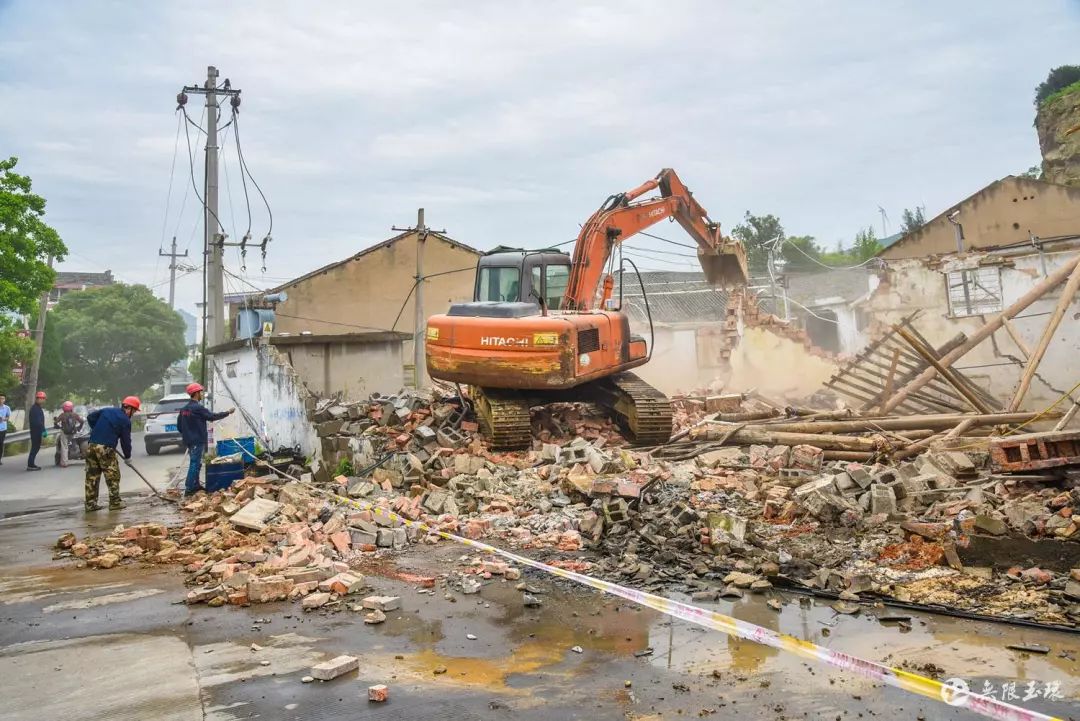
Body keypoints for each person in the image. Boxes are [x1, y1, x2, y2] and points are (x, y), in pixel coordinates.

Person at [177, 383, 234, 496]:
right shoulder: (198, 408)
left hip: (189, 441)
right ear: (196, 393)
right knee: (194, 463)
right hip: (197, 440)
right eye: (200, 392)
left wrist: (188, 434)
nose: (201, 394)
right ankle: (189, 488)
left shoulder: (183, 410)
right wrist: (228, 413)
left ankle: (196, 485)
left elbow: (179, 426)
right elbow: (212, 416)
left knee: (197, 463)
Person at [84, 396, 140, 512]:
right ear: (128, 408)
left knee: (92, 476)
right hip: (105, 448)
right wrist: (128, 457)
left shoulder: (107, 410)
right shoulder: (125, 420)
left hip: (91, 445)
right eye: (133, 411)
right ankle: (115, 502)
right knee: (112, 475)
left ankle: (90, 504)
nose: (133, 414)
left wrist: (98, 429)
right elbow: (126, 442)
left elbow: (90, 417)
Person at [54, 401, 85, 468]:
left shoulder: (62, 415)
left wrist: (58, 426)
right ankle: (75, 450)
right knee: (74, 441)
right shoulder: (75, 415)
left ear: (64, 408)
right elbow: (82, 421)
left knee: (64, 447)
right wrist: (79, 428)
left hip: (64, 432)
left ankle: (64, 463)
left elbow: (56, 422)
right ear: (71, 408)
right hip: (73, 432)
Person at [27, 391, 47, 471]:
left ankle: (31, 464)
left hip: (37, 431)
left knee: (36, 447)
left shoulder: (37, 408)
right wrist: (43, 430)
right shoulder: (35, 409)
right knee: (35, 448)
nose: (44, 401)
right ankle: (30, 464)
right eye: (43, 399)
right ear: (39, 399)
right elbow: (38, 422)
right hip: (36, 431)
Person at [0, 393, 10, 466]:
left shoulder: (7, 408)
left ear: (5, 399)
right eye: (0, 398)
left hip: (3, 429)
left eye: (3, 398)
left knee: (1, 444)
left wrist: (3, 419)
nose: (1, 400)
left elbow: (8, 418)